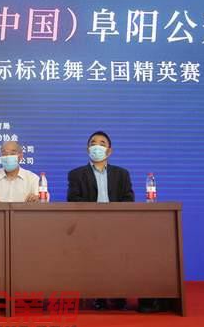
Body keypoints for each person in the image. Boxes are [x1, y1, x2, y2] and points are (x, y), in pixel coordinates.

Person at [67, 131, 164, 313]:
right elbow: (73, 200)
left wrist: (113, 219)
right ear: (87, 149)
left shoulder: (121, 174)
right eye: (93, 143)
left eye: (102, 143)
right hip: (88, 227)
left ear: (109, 151)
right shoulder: (76, 174)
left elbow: (128, 199)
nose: (97, 146)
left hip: (118, 226)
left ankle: (121, 293)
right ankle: (99, 295)